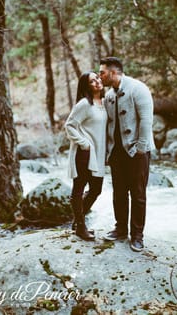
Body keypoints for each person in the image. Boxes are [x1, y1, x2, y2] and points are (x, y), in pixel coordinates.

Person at [99, 57, 156, 252]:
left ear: (113, 73)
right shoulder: (108, 95)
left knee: (138, 194)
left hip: (136, 151)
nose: (100, 76)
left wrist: (141, 148)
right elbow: (108, 125)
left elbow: (146, 120)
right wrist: (107, 151)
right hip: (117, 152)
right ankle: (120, 228)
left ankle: (137, 236)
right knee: (119, 193)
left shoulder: (138, 88)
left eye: (102, 72)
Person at [64, 72, 107, 241]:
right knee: (79, 189)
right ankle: (81, 227)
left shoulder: (103, 103)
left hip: (99, 153)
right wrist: (83, 143)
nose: (97, 82)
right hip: (84, 152)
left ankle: (77, 221)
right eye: (92, 81)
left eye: (97, 78)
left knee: (96, 189)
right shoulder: (84, 104)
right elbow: (69, 125)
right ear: (86, 86)